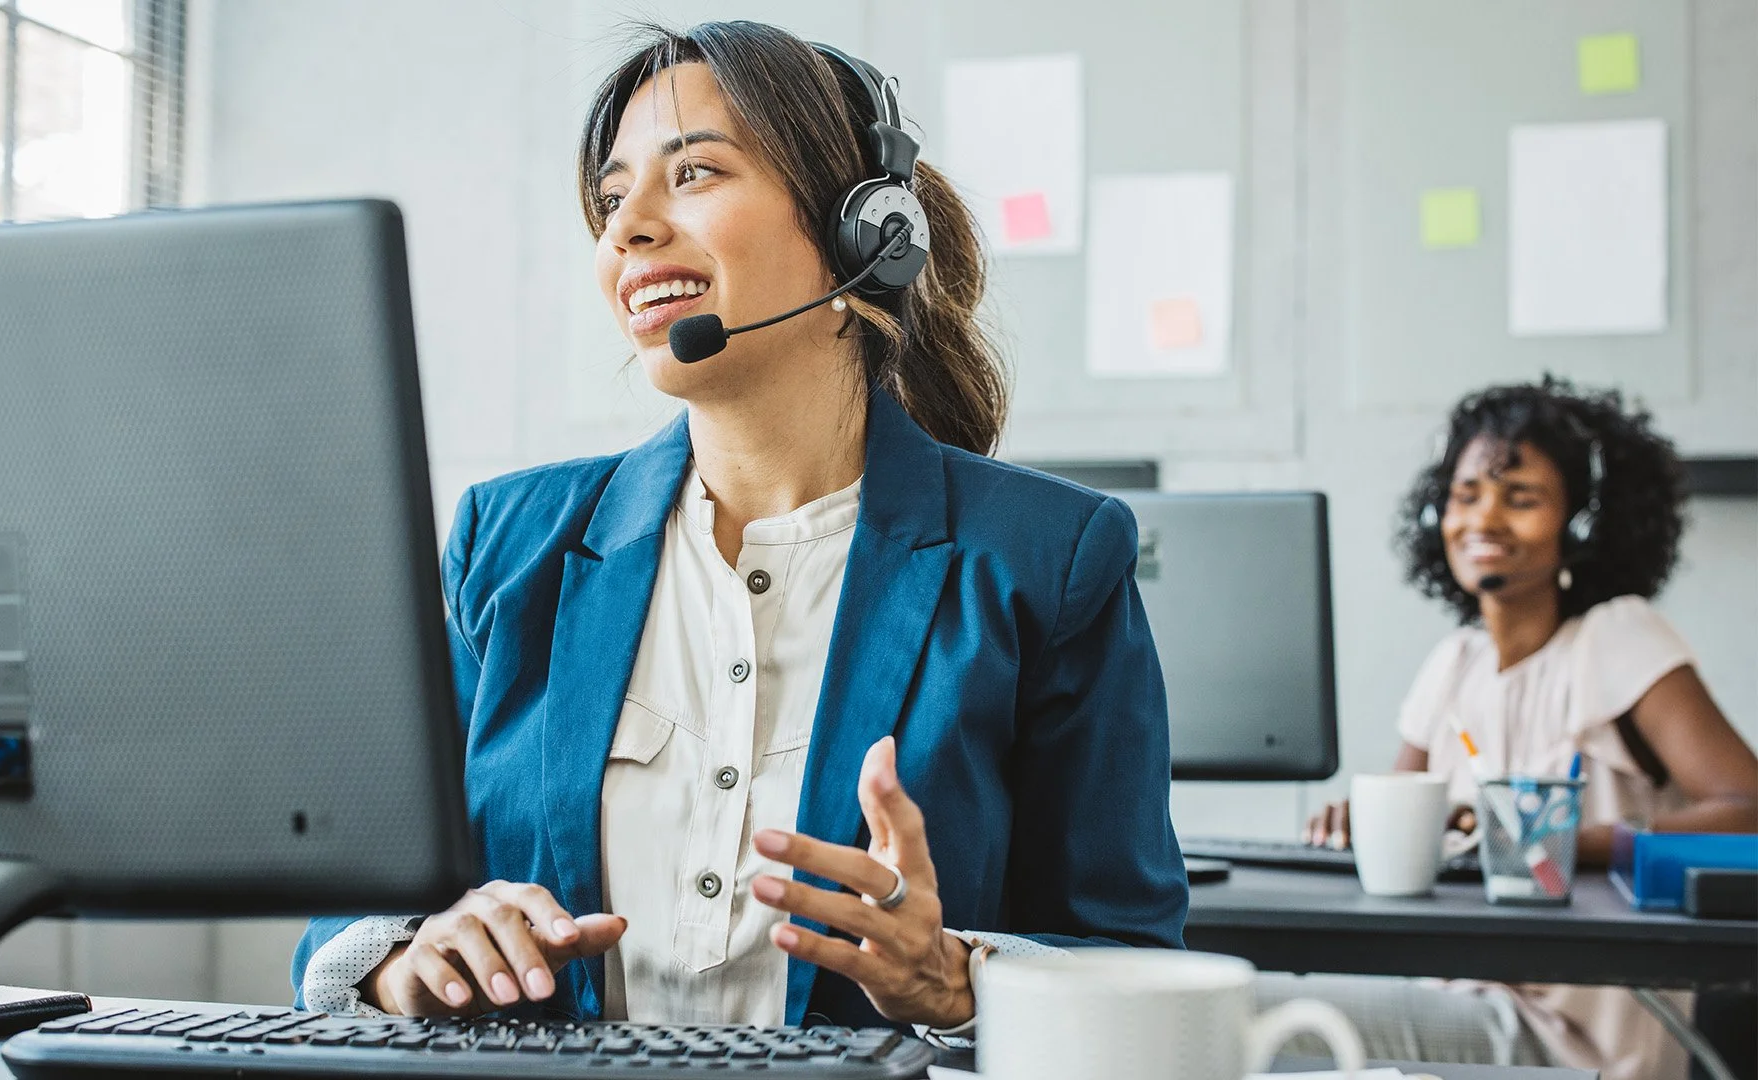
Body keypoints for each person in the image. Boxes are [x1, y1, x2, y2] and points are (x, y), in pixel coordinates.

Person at [289, 21, 1187, 1034]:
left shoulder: (1048, 562)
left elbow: (1135, 967)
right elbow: (349, 922)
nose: (628, 229)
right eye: (612, 198)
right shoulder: (504, 544)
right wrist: (412, 961)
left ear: (863, 235)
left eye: (696, 173)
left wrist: (958, 979)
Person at [1291, 377, 1757, 1080]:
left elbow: (1748, 812)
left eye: (1522, 499)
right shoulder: (1455, 662)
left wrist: (1559, 839)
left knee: (1253, 1014)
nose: (1484, 519)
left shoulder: (1617, 638)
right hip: (1455, 992)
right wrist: (1359, 823)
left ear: (1581, 525)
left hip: (1571, 1038)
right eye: (1466, 494)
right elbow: (1409, 818)